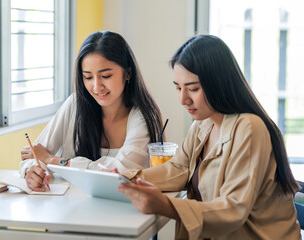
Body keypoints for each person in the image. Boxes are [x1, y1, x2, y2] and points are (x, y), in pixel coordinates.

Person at [118, 35, 301, 239]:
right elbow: (179, 168)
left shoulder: (249, 127)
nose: (183, 99)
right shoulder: (203, 124)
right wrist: (125, 178)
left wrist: (167, 205)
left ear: (218, 83)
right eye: (178, 88)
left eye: (193, 89)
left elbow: (233, 209)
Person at [20, 31, 163, 192]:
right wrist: (32, 171)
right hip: (73, 209)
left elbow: (120, 173)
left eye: (106, 76)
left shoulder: (143, 116)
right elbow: (35, 155)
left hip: (127, 211)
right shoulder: (75, 105)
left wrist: (52, 159)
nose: (96, 86)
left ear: (128, 73)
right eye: (88, 77)